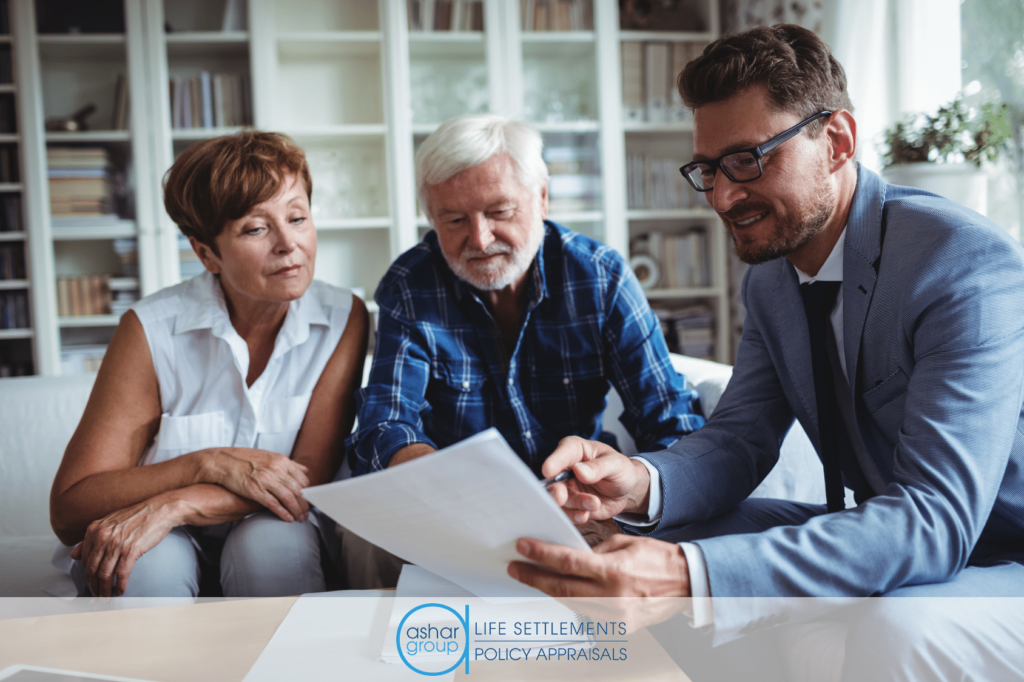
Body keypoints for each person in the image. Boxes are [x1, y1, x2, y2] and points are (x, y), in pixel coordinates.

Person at [507, 24, 1024, 679]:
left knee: (899, 629)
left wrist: (685, 577)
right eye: (709, 169)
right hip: (885, 524)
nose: (724, 197)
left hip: (999, 548)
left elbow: (935, 518)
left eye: (749, 160)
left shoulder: (960, 264)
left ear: (836, 141)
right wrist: (638, 483)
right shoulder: (773, 282)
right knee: (642, 536)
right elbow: (737, 442)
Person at [49, 131, 369, 598]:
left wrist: (177, 504)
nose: (288, 244)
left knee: (270, 544)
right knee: (147, 566)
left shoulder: (344, 318)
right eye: (256, 229)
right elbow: (70, 509)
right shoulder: (150, 329)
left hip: (271, 522)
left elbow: (305, 479)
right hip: (160, 539)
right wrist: (206, 464)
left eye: (297, 218)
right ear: (206, 253)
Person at [349, 114, 704, 478]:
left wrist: (631, 491)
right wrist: (433, 473)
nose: (480, 239)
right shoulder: (410, 285)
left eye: (499, 212)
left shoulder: (601, 278)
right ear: (432, 218)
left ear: (542, 198)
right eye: (454, 220)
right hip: (458, 497)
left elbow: (671, 420)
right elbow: (386, 422)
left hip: (579, 493)